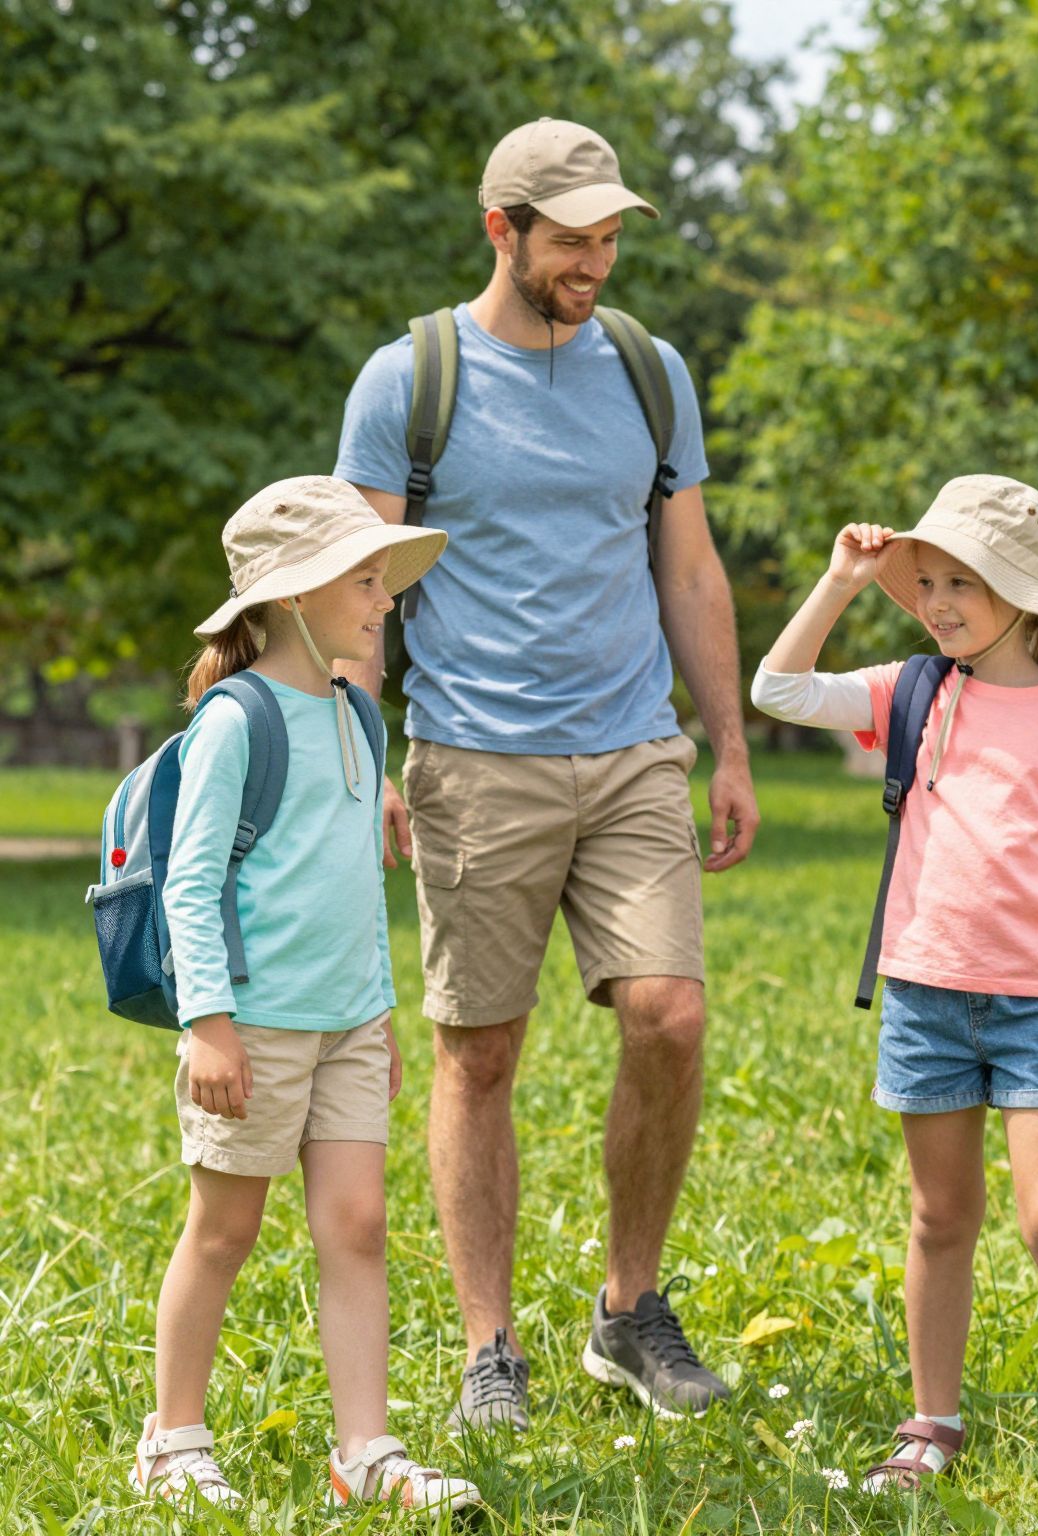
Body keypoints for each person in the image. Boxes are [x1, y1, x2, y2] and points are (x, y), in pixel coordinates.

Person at [332, 118, 759, 1431]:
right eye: (572, 239)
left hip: (633, 748)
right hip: (473, 758)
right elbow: (358, 587)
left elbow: (684, 565)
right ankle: (487, 1350)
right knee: (480, 1055)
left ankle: (629, 1316)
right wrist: (365, 758)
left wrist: (729, 739)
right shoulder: (411, 381)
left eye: (610, 234)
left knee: (670, 1017)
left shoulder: (648, 369)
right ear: (500, 231)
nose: (597, 259)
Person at [751, 477, 1038, 1522]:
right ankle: (930, 1422)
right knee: (940, 1216)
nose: (934, 602)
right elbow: (778, 690)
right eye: (924, 582)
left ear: (1024, 593)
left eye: (960, 583)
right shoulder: (911, 691)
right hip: (925, 992)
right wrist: (841, 583)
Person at [135, 477, 478, 1512]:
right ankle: (172, 1441)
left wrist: (378, 1016)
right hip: (251, 1028)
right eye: (365, 579)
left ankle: (363, 1454)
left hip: (344, 1029)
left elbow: (355, 890)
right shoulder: (236, 722)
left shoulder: (357, 717)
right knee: (224, 1229)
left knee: (358, 1226)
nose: (385, 597)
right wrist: (208, 1025)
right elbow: (188, 885)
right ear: (295, 595)